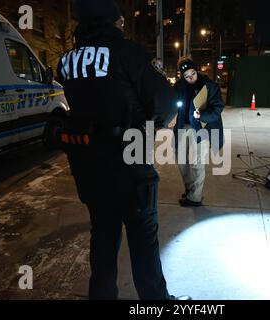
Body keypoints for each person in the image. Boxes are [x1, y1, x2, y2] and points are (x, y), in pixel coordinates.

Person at [57, 0, 190, 300]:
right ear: (111, 21)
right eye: (119, 21)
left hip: (90, 168)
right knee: (144, 243)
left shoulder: (66, 61)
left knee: (102, 241)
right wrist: (146, 126)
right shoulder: (127, 53)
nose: (122, 26)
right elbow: (166, 105)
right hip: (131, 166)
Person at [174, 58, 225, 207]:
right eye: (186, 76)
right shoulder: (179, 86)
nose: (190, 78)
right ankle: (190, 189)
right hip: (183, 126)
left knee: (197, 163)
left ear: (197, 71)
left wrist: (201, 116)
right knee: (181, 159)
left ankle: (195, 197)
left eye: (193, 74)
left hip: (202, 128)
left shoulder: (209, 86)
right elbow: (171, 102)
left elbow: (217, 109)